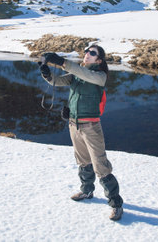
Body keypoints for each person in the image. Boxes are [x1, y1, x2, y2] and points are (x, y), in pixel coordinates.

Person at [39, 45, 124, 221]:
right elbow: (57, 81)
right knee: (83, 162)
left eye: (92, 53)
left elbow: (81, 73)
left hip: (91, 128)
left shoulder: (99, 76)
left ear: (99, 60)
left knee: (101, 166)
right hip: (74, 125)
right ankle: (87, 191)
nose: (87, 54)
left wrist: (62, 62)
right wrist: (47, 74)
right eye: (86, 51)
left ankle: (116, 204)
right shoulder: (77, 74)